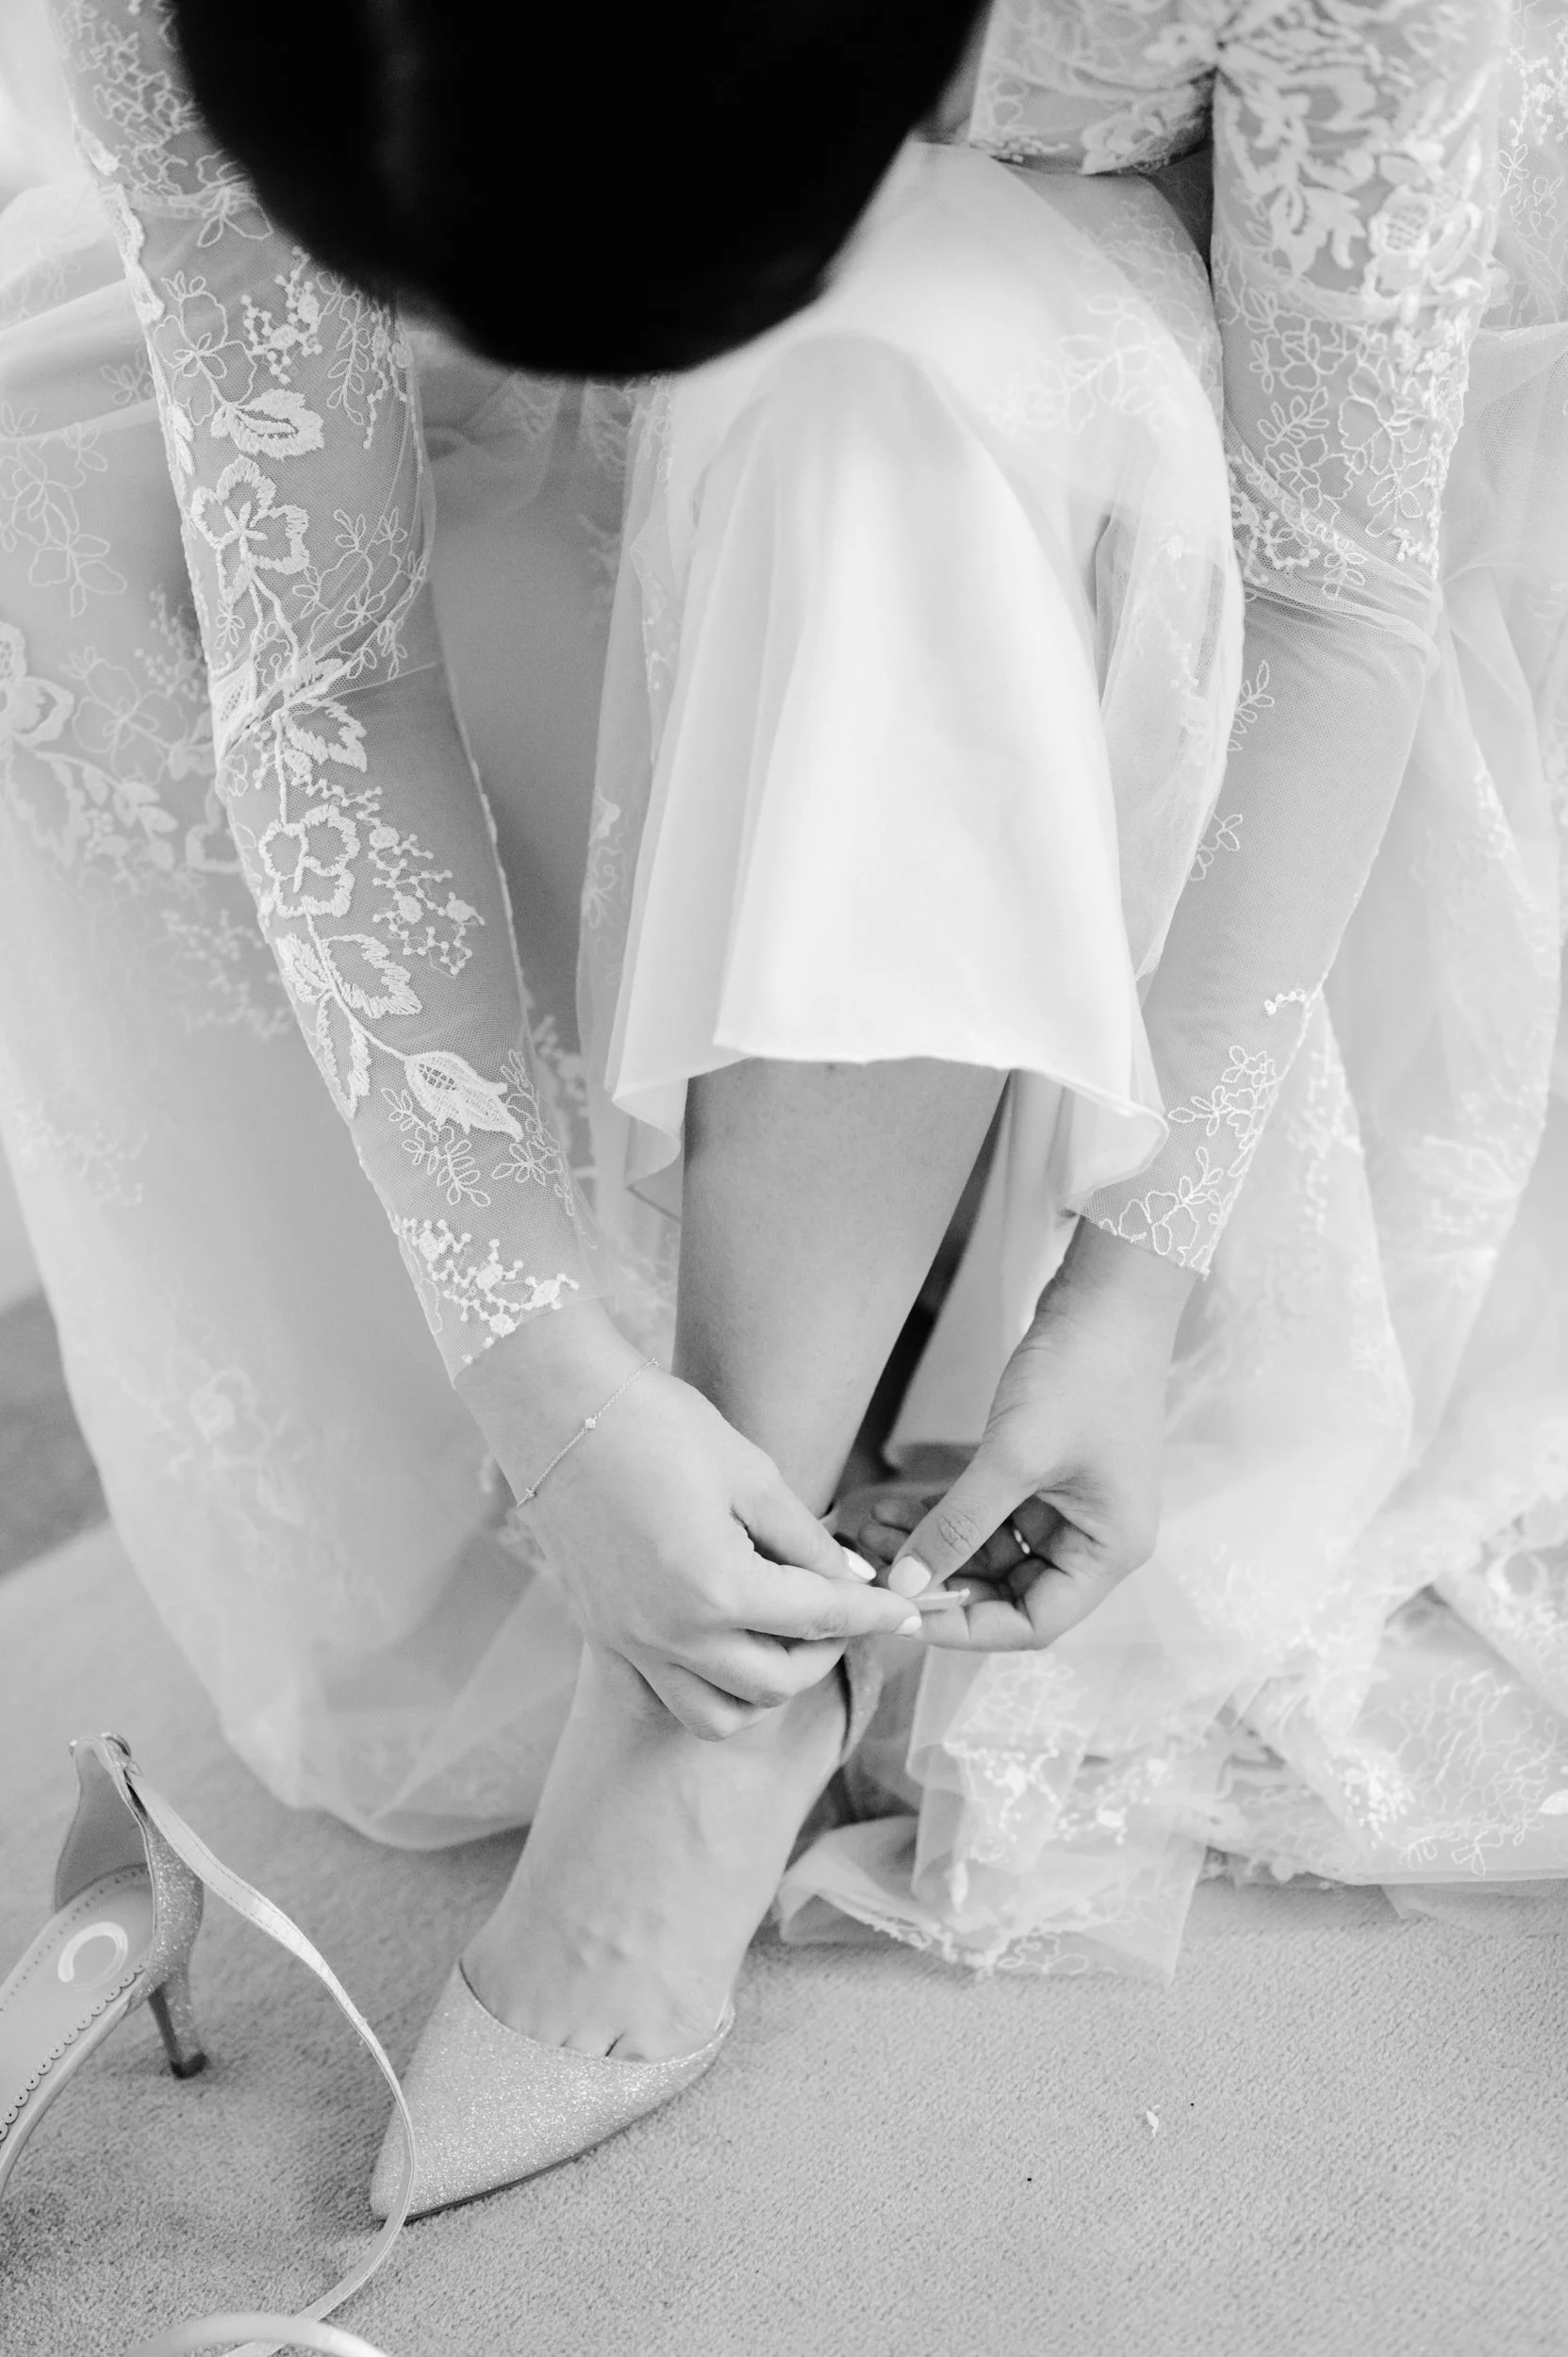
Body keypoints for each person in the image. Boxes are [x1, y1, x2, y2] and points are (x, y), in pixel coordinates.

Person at [0, 0, 1560, 2201]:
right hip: (560, 303)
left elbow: (1336, 603)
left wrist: (1127, 1293)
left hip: (1113, 406)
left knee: (881, 392)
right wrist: (528, 1353)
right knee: (66, 493)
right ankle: (654, 1445)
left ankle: (710, 1703)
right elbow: (323, 656)